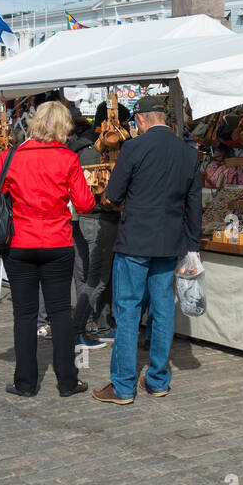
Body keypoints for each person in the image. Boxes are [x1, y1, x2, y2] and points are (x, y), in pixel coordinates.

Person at [0, 101, 96, 397]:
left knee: (24, 315)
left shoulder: (10, 156)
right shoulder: (67, 158)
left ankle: (26, 382)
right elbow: (85, 204)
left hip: (19, 242)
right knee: (59, 313)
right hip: (56, 241)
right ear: (63, 127)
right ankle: (67, 381)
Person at [94, 95, 202, 404]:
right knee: (164, 308)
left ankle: (124, 386)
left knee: (128, 310)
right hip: (170, 241)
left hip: (136, 240)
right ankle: (157, 380)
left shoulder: (134, 147)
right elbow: (194, 204)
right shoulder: (187, 152)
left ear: (141, 119)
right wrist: (193, 245)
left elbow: (113, 194)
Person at [67, 101, 128, 346]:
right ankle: (77, 329)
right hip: (98, 216)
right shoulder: (95, 149)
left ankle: (102, 324)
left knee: (87, 275)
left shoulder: (79, 145)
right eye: (122, 125)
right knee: (98, 278)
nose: (125, 129)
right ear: (110, 123)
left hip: (82, 218)